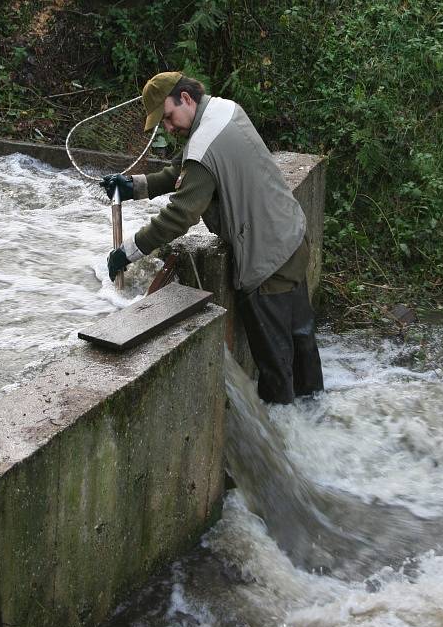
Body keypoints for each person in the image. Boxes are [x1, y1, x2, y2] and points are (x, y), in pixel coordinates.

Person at [102, 72, 323, 405]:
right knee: (301, 336)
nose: (169, 128)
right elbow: (182, 174)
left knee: (275, 363)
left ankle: (287, 429)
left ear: (186, 99)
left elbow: (181, 215)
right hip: (291, 235)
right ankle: (315, 411)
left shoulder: (203, 144)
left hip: (266, 260)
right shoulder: (224, 111)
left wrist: (129, 251)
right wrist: (134, 186)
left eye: (168, 117)